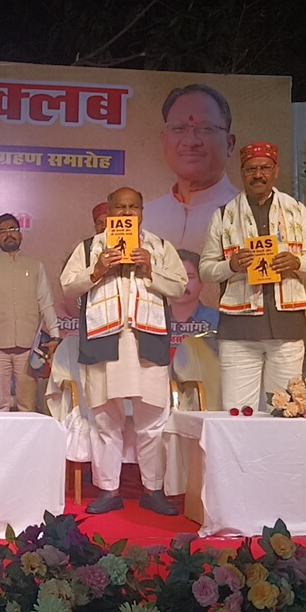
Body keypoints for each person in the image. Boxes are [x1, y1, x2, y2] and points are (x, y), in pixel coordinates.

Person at [60, 187, 187, 514]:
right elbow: (68, 285)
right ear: (109, 211)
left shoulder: (158, 247)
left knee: (152, 420)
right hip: (105, 341)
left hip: (148, 341)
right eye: (120, 207)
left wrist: (151, 269)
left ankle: (153, 489)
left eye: (133, 207)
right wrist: (98, 270)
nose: (126, 213)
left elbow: (180, 286)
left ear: (142, 212)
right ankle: (108, 490)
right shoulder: (90, 248)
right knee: (105, 418)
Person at [199, 142, 306, 411]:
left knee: (285, 409)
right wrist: (231, 265)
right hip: (239, 329)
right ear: (242, 173)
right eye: (251, 169)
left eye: (265, 168)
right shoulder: (224, 215)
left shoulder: (296, 210)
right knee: (238, 412)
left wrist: (297, 261)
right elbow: (205, 269)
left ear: (275, 171)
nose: (258, 174)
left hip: (287, 326)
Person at [0, 213, 61, 412]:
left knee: (27, 405)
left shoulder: (35, 266)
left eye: (13, 230)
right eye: (3, 232)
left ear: (20, 235)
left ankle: (26, 444)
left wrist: (55, 334)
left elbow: (46, 302)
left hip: (28, 348)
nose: (9, 235)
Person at [142, 85, 239, 253]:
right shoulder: (144, 218)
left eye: (205, 129)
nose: (191, 141)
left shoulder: (244, 213)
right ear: (164, 141)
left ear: (229, 144)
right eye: (179, 129)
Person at [167, 249, 220, 360]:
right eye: (175, 277)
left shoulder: (218, 321)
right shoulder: (155, 320)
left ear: (201, 283)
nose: (183, 283)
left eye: (189, 277)